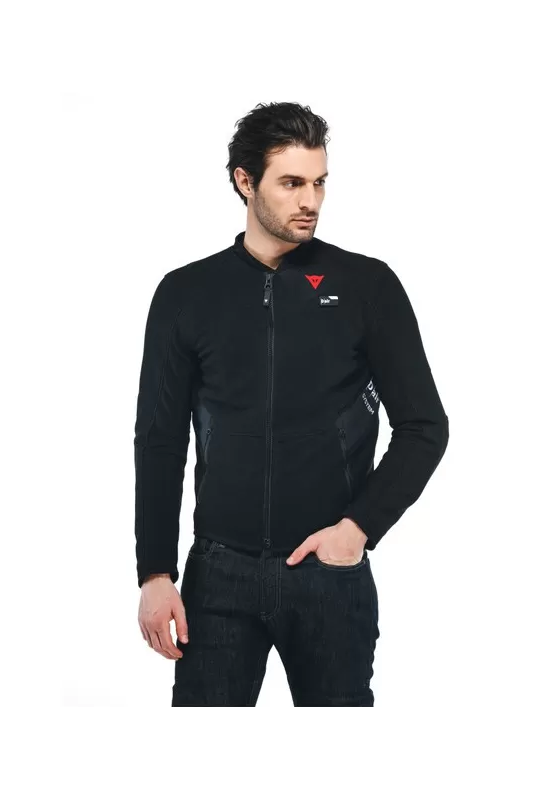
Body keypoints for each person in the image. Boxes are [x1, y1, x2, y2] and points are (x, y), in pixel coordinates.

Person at [133, 101, 449, 706]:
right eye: (292, 183)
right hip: (218, 578)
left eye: (320, 182)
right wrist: (155, 572)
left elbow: (424, 426)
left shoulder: (366, 285)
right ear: (245, 181)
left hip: (329, 574)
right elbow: (160, 441)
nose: (311, 200)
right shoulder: (186, 293)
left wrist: (357, 530)